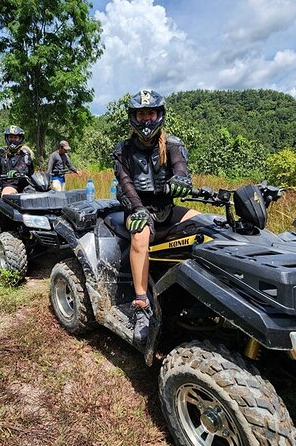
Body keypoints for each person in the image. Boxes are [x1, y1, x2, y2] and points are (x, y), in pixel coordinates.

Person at [112, 89, 199, 343]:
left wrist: (182, 180)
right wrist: (137, 209)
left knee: (205, 223)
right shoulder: (123, 150)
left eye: (151, 113)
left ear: (159, 114)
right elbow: (126, 185)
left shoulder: (173, 144)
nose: (147, 119)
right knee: (139, 236)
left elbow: (181, 170)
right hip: (138, 209)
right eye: (141, 114)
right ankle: (141, 303)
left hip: (167, 210)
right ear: (134, 117)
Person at [0, 125, 34, 195]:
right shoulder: (2, 153)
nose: (13, 139)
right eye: (11, 137)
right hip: (8, 184)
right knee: (7, 194)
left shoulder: (25, 152)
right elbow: (0, 170)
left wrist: (17, 170)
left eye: (15, 137)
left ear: (20, 138)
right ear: (7, 138)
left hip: (25, 184)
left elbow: (25, 165)